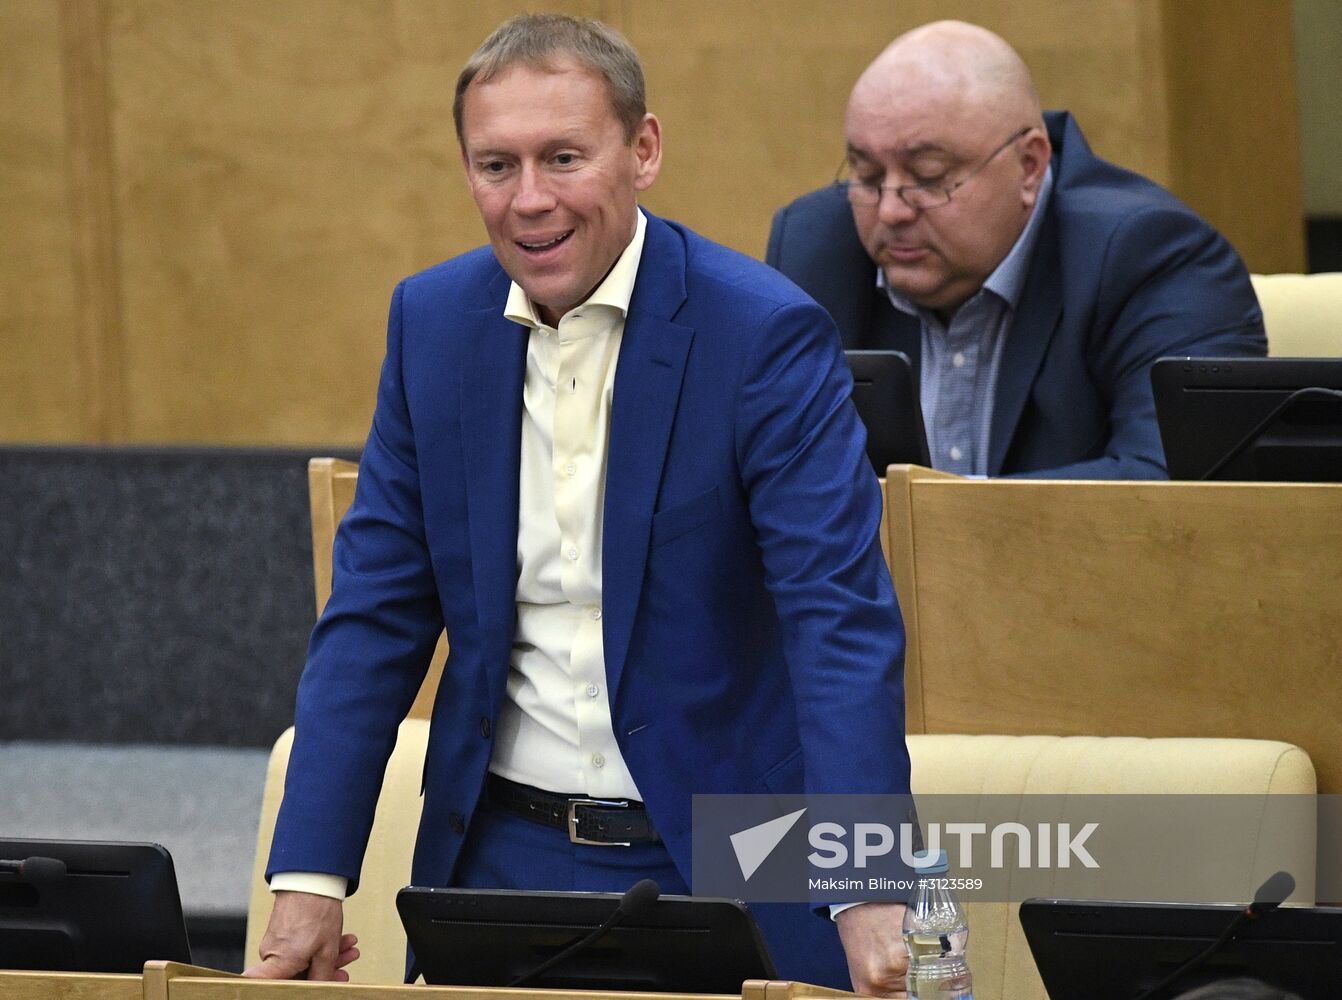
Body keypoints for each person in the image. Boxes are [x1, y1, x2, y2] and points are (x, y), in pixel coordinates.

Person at [244, 13, 912, 995]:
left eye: (563, 157)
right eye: (496, 165)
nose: (529, 201)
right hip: (504, 849)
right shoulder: (431, 326)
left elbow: (837, 622)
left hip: (736, 844)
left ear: (642, 150)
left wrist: (866, 884)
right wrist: (309, 877)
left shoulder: (762, 335)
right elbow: (373, 619)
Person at [766, 20, 1266, 479]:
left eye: (929, 177)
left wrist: (934, 524)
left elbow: (1173, 488)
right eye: (868, 175)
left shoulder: (1152, 258)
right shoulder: (815, 251)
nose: (891, 209)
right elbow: (759, 470)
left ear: (1028, 166)